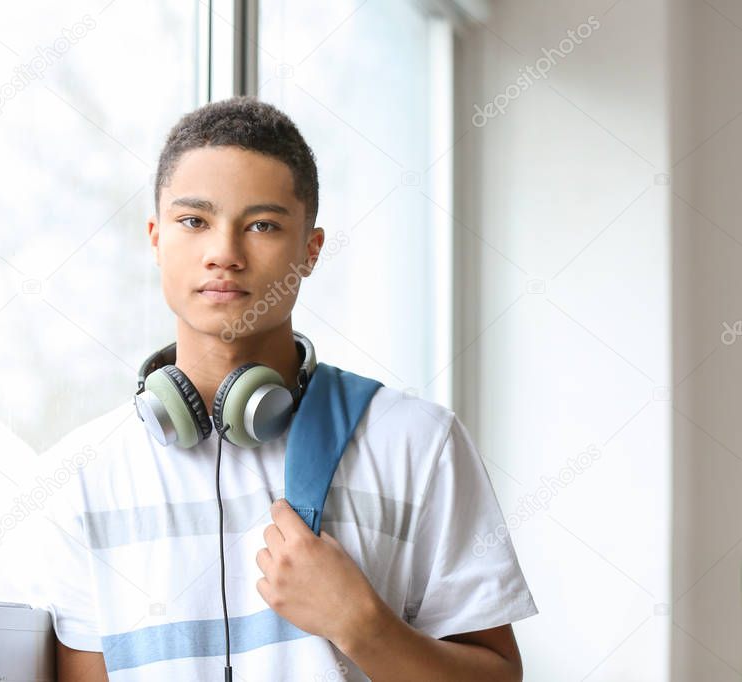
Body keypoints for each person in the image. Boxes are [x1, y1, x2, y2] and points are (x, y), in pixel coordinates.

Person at [30, 96, 539, 681]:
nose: (224, 253)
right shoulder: (81, 478)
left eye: (262, 226)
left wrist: (362, 626)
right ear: (155, 238)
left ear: (310, 251)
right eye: (193, 221)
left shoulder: (418, 443)